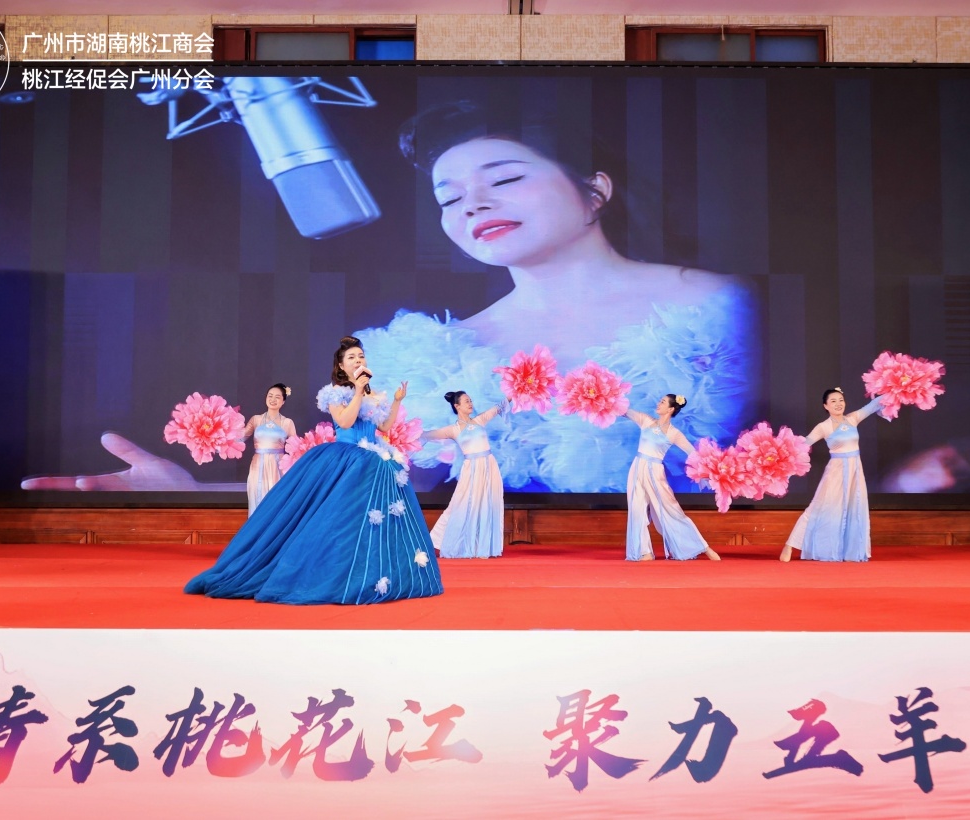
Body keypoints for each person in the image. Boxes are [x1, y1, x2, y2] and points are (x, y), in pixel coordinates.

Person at [359, 101, 759, 493]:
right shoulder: (433, 357)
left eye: (505, 179)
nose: (473, 205)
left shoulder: (718, 305)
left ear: (595, 190)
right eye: (449, 199)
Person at [185, 336, 444, 604]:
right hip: (348, 461)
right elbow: (345, 422)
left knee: (374, 520)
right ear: (341, 366)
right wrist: (357, 391)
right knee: (340, 522)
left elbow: (385, 427)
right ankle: (333, 576)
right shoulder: (335, 393)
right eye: (352, 357)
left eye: (361, 356)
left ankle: (375, 574)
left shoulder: (373, 394)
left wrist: (397, 401)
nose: (358, 360)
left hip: (375, 460)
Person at [780, 388, 887, 563]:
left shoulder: (853, 418)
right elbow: (803, 444)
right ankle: (790, 545)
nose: (838, 404)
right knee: (818, 507)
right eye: (833, 401)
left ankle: (847, 550)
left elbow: (874, 405)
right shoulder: (823, 427)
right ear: (826, 406)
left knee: (854, 507)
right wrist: (783, 456)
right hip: (836, 472)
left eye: (841, 400)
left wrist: (897, 389)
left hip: (855, 470)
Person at [624, 394, 722, 562]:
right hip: (637, 467)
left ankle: (703, 547)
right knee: (636, 510)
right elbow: (623, 410)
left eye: (662, 402)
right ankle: (644, 552)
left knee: (671, 509)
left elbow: (693, 453)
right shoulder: (645, 420)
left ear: (670, 409)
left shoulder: (674, 433)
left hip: (655, 471)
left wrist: (712, 470)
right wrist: (604, 399)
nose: (658, 403)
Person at [422, 391, 506, 558]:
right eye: (466, 401)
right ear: (457, 406)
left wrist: (515, 393)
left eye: (471, 400)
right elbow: (427, 435)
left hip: (489, 466)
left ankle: (480, 546)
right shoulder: (453, 430)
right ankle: (438, 541)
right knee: (460, 504)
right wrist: (404, 433)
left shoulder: (480, 420)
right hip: (472, 469)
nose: (470, 403)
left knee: (488, 504)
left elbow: (498, 407)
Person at [243, 383, 296, 515]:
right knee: (257, 497)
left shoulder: (287, 422)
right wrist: (221, 439)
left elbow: (296, 447)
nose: (273, 399)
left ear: (283, 401)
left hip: (278, 466)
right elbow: (240, 438)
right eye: (270, 396)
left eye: (277, 397)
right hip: (257, 465)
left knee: (276, 501)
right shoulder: (256, 419)